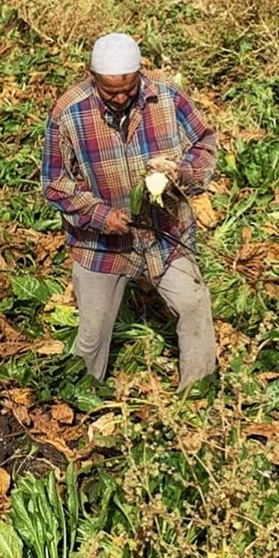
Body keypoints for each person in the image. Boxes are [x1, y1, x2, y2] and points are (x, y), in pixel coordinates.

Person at [41, 32, 218, 393]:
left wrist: (182, 173)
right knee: (92, 333)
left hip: (164, 232)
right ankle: (82, 395)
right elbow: (55, 183)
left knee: (194, 303)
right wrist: (100, 215)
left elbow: (204, 143)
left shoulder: (166, 96)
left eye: (128, 88)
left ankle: (198, 393)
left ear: (140, 74)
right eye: (110, 92)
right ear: (92, 76)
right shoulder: (68, 113)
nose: (121, 98)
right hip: (100, 245)